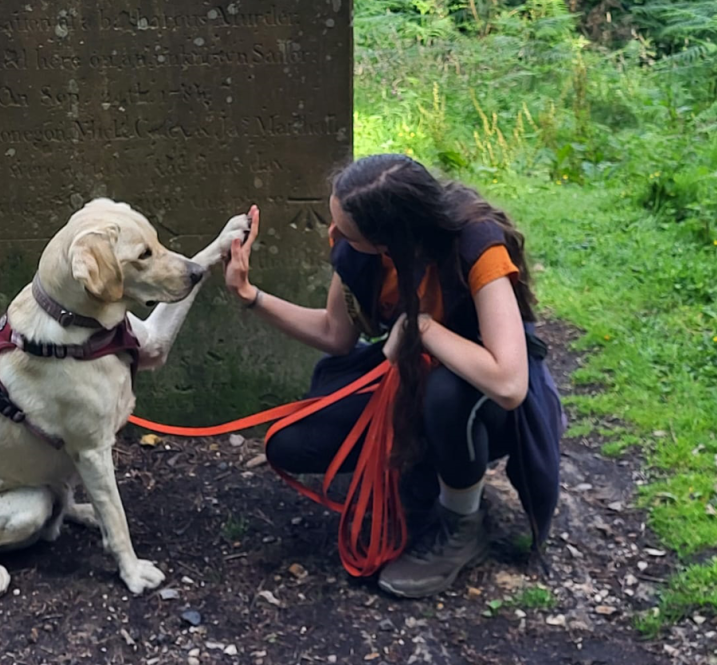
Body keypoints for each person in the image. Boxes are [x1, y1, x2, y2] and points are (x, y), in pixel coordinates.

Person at [224, 154, 564, 598]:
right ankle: (424, 472)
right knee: (293, 443)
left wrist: (420, 327)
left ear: (389, 241)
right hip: (405, 379)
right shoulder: (359, 249)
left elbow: (509, 384)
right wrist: (250, 296)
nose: (337, 237)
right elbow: (334, 334)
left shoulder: (477, 244)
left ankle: (462, 522)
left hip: (482, 402)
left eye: (347, 231)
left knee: (446, 395)